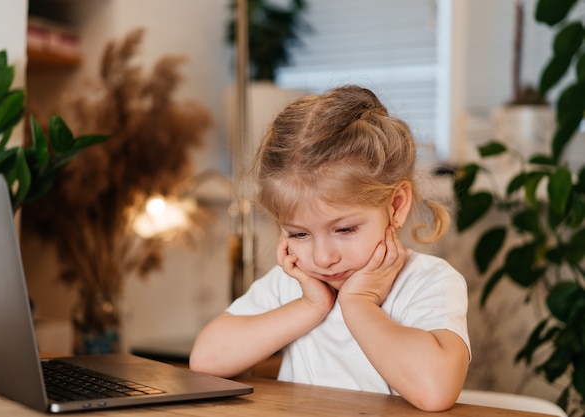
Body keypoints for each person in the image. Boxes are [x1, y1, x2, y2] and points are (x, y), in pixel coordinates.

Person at [189, 85, 470, 412]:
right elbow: (206, 360)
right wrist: (311, 306)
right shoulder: (297, 283)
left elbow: (435, 391)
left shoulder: (429, 282)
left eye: (345, 229)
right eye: (298, 234)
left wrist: (359, 304)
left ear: (395, 205)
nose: (323, 258)